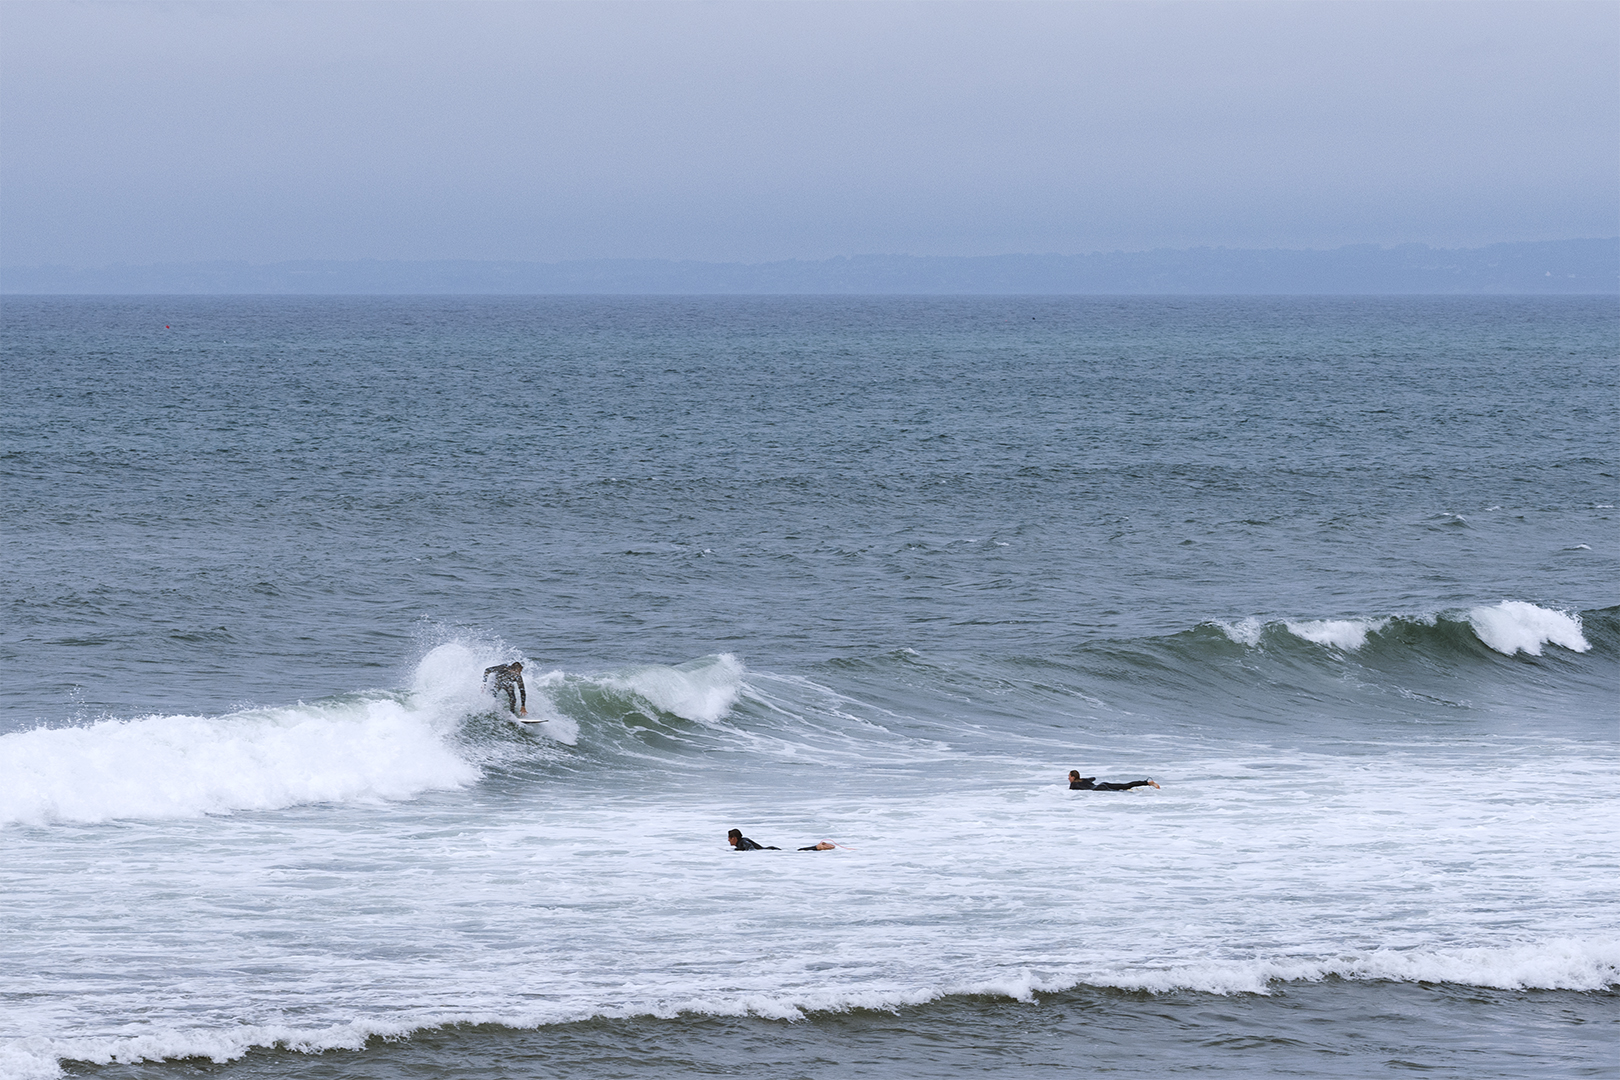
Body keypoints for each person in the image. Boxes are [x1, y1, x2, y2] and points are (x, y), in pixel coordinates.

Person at [727, 829, 836, 851]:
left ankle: (818, 847)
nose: (728, 840)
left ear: (734, 838)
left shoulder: (742, 842)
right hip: (770, 850)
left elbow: (750, 849)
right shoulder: (742, 842)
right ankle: (818, 847)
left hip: (770, 851)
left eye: (729, 838)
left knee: (797, 852)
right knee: (796, 852)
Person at [1069, 769, 1159, 791]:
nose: (1068, 778)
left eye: (1069, 776)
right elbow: (1093, 778)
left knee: (1121, 791)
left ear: (1073, 777)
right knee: (1125, 785)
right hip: (1103, 784)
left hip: (1099, 789)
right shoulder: (1084, 780)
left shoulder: (1073, 785)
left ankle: (1134, 790)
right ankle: (1147, 783)